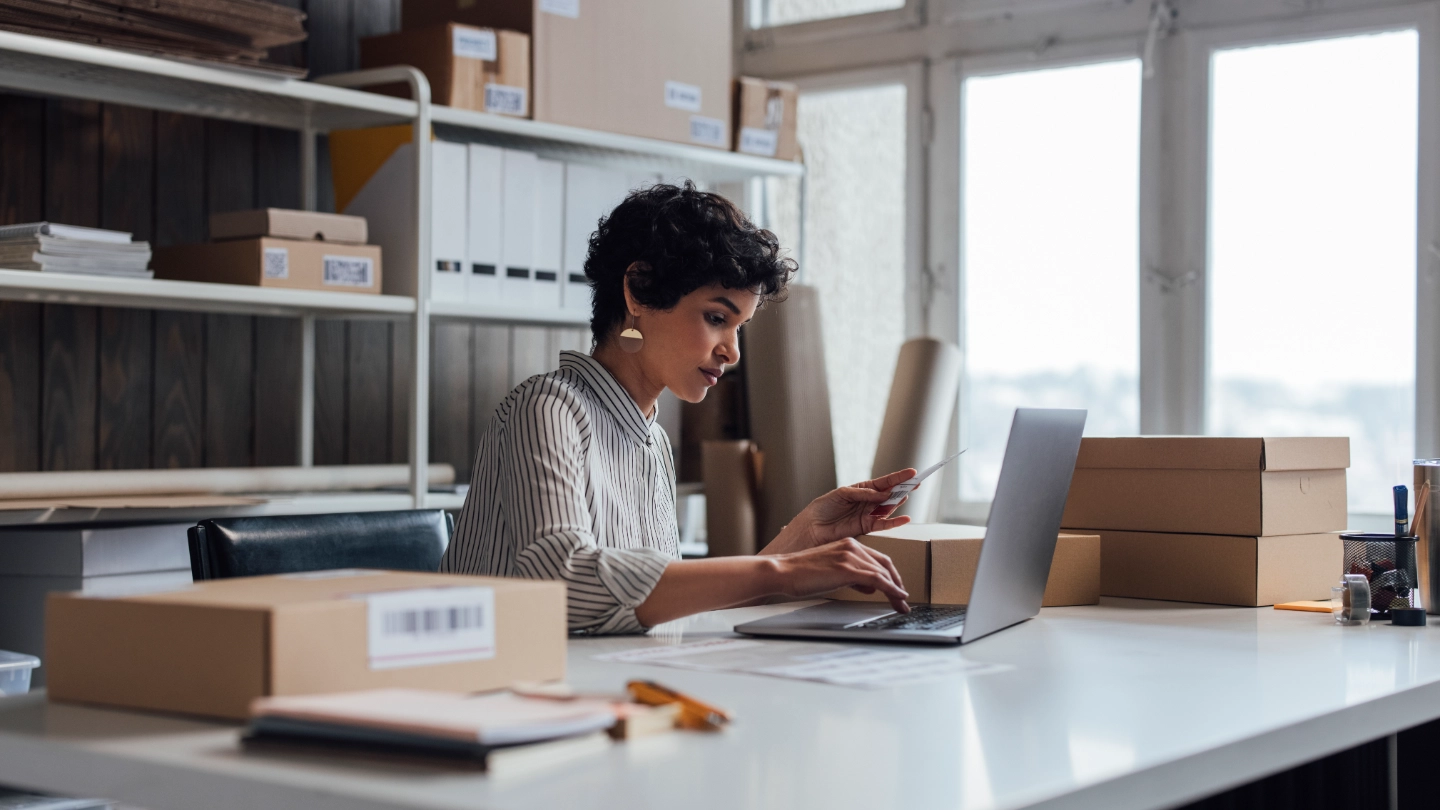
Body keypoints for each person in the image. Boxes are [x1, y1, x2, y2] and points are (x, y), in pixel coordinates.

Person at [441, 182, 915, 634]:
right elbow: (564, 581)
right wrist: (781, 570)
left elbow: (665, 606)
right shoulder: (546, 409)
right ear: (639, 291)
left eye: (739, 328)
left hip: (615, 686)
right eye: (716, 318)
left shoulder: (652, 442)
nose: (732, 352)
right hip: (512, 697)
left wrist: (805, 535)